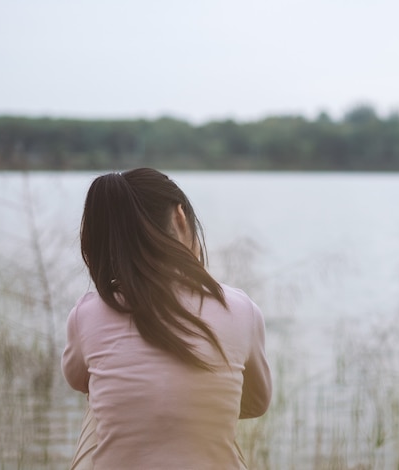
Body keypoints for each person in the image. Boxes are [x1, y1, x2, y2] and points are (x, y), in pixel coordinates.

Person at [61, 168, 272, 469]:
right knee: (215, 421)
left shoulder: (87, 313)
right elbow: (256, 403)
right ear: (180, 218)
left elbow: (76, 379)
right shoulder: (241, 309)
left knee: (97, 406)